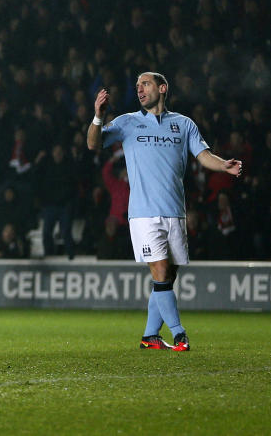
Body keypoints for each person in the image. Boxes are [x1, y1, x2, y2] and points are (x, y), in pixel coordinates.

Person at [87, 73, 242, 351]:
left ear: (162, 88)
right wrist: (98, 117)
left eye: (144, 84)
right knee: (159, 271)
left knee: (168, 276)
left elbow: (203, 155)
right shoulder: (127, 122)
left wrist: (223, 165)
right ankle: (179, 333)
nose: (139, 89)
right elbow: (93, 143)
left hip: (175, 212)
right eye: (136, 86)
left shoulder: (183, 124)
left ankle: (150, 336)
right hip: (144, 214)